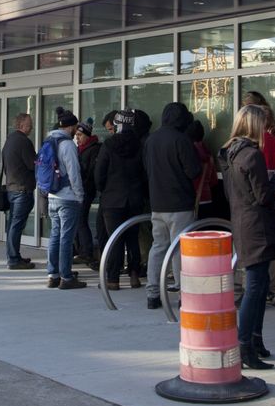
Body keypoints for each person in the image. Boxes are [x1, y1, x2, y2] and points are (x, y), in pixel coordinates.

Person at [219, 105, 275, 370]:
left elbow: (240, 191)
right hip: (257, 225)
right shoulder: (252, 154)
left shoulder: (229, 153)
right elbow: (263, 196)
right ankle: (246, 345)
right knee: (257, 288)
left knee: (257, 287)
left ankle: (254, 342)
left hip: (242, 222)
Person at [143, 102, 201, 309]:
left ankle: (152, 294)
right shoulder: (181, 140)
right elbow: (193, 171)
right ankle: (183, 294)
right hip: (180, 204)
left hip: (157, 203)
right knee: (180, 250)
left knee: (158, 247)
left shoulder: (151, 140)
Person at [96, 109, 146, 290]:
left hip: (112, 199)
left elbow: (99, 173)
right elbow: (144, 173)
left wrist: (104, 189)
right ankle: (134, 275)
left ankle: (113, 278)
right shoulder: (140, 145)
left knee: (114, 239)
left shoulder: (108, 145)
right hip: (134, 198)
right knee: (133, 238)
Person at [45, 107, 87, 290]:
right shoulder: (68, 144)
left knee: (55, 235)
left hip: (52, 195)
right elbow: (74, 172)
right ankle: (67, 277)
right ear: (71, 127)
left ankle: (53, 274)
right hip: (67, 197)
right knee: (66, 238)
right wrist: (80, 195)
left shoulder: (49, 140)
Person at [1, 113, 37, 269]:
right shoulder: (24, 142)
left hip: (12, 188)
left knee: (13, 225)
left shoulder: (9, 141)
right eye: (29, 124)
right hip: (22, 189)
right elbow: (33, 164)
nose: (32, 127)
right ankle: (14, 259)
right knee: (16, 225)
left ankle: (13, 255)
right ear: (21, 125)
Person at [73, 118, 101, 269]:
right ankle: (80, 249)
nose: (77, 138)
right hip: (80, 189)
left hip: (85, 190)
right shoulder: (80, 149)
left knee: (81, 220)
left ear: (87, 135)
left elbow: (90, 173)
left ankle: (86, 251)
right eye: (76, 135)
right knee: (78, 220)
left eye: (80, 135)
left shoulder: (92, 149)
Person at [186, 120, 219, 220]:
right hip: (207, 200)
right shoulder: (209, 155)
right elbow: (214, 181)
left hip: (190, 201)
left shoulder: (187, 154)